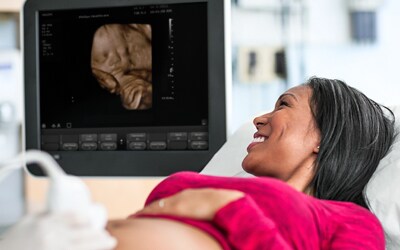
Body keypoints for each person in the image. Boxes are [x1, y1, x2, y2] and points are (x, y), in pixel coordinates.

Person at [105, 77, 396, 250]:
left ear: (326, 133)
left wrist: (226, 207)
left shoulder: (350, 219)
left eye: (284, 105)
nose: (259, 119)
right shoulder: (219, 186)